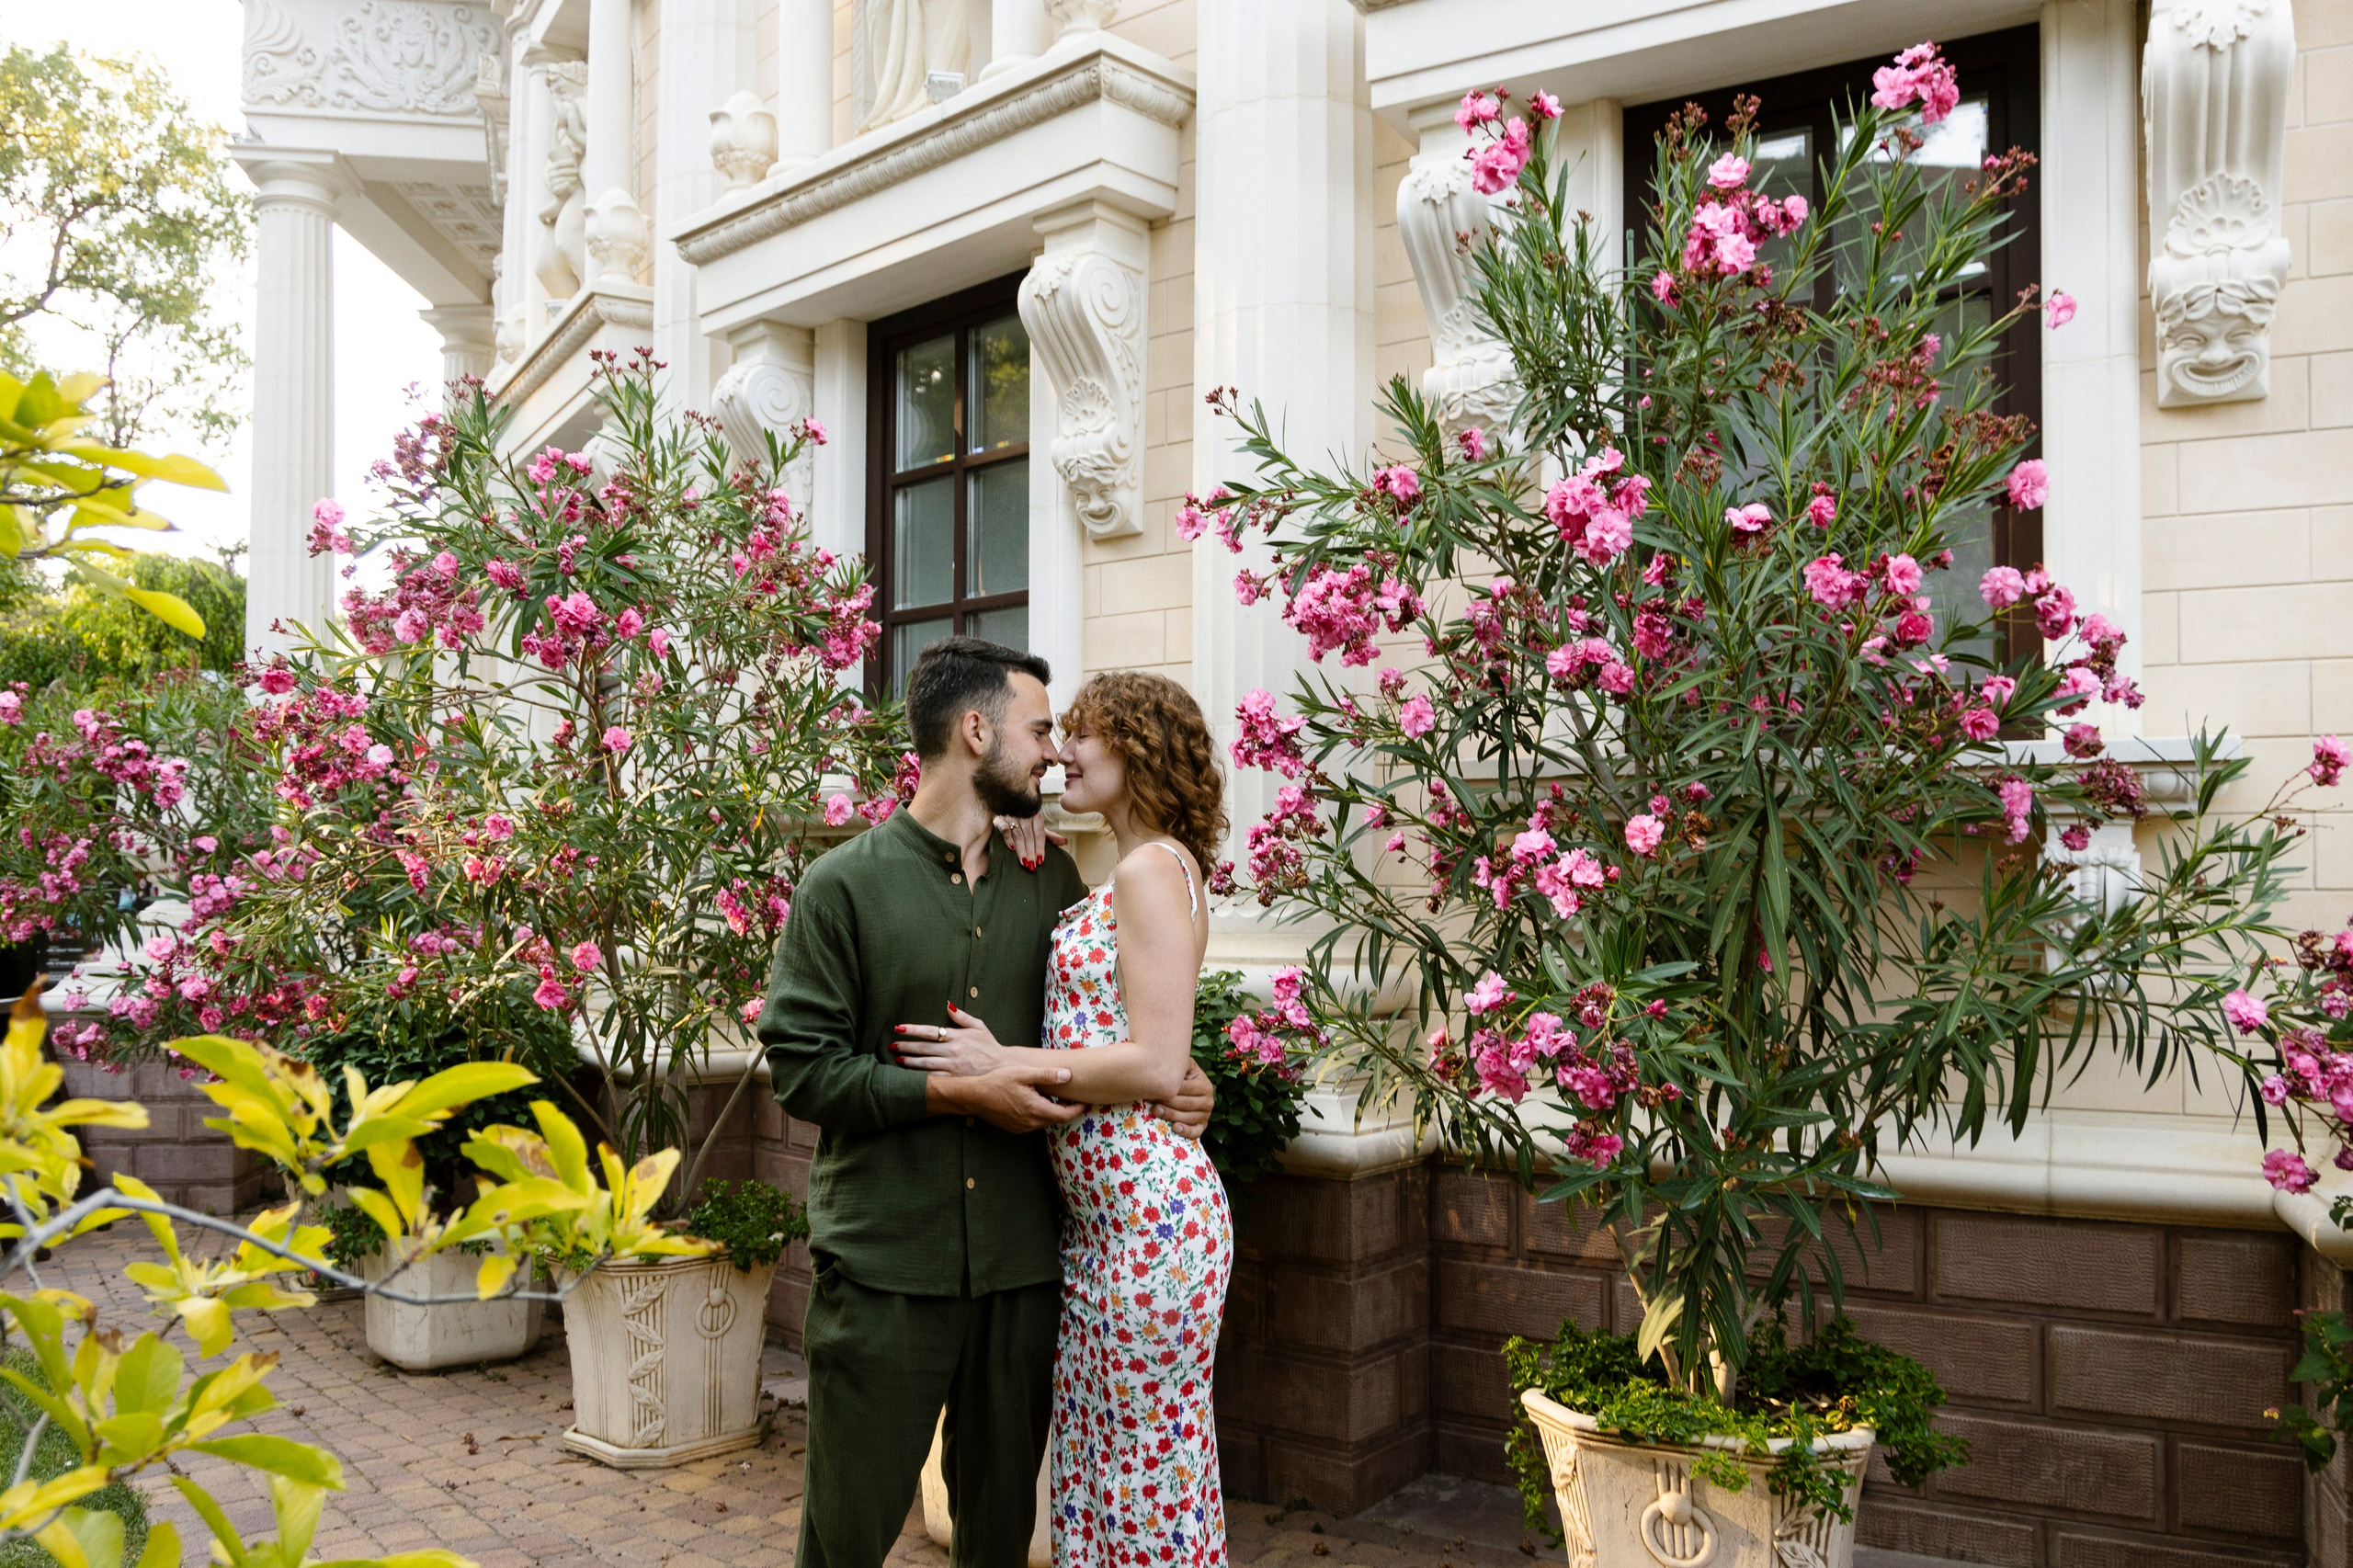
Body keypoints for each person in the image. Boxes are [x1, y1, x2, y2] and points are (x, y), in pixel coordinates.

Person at [756, 638, 1215, 1568]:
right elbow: (803, 1071)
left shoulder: (1050, 877)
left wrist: (1187, 1074)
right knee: (844, 1535)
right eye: (1042, 729)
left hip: (1022, 1266)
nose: (1053, 752)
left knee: (1001, 1538)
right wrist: (954, 1088)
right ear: (975, 730)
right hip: (887, 1264)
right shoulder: (840, 884)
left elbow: (1123, 1010)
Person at [898, 670, 1233, 1568]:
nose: (1060, 751)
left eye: (1081, 733)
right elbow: (1136, 1033)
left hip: (1148, 1224)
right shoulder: (1132, 867)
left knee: (1138, 1475)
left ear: (1137, 747)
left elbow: (1158, 1061)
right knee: (1117, 1469)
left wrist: (1002, 1062)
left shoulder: (1148, 869)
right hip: (1110, 1224)